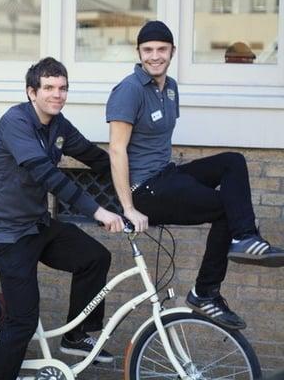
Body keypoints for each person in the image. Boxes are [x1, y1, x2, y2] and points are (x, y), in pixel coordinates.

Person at [106, 20, 284, 331]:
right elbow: (117, 151)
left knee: (232, 162)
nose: (155, 56)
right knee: (226, 206)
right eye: (147, 50)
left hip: (165, 175)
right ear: (139, 52)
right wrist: (129, 208)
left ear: (172, 52)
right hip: (144, 189)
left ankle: (244, 237)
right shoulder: (129, 91)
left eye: (161, 49)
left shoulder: (170, 88)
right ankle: (205, 292)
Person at [0, 57, 124, 379]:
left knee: (95, 257)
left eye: (63, 88)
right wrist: (98, 211)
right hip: (4, 236)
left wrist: (135, 180)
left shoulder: (58, 125)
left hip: (36, 227)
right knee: (23, 321)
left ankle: (76, 335)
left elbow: (93, 156)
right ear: (32, 92)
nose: (57, 94)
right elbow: (46, 175)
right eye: (49, 88)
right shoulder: (15, 122)